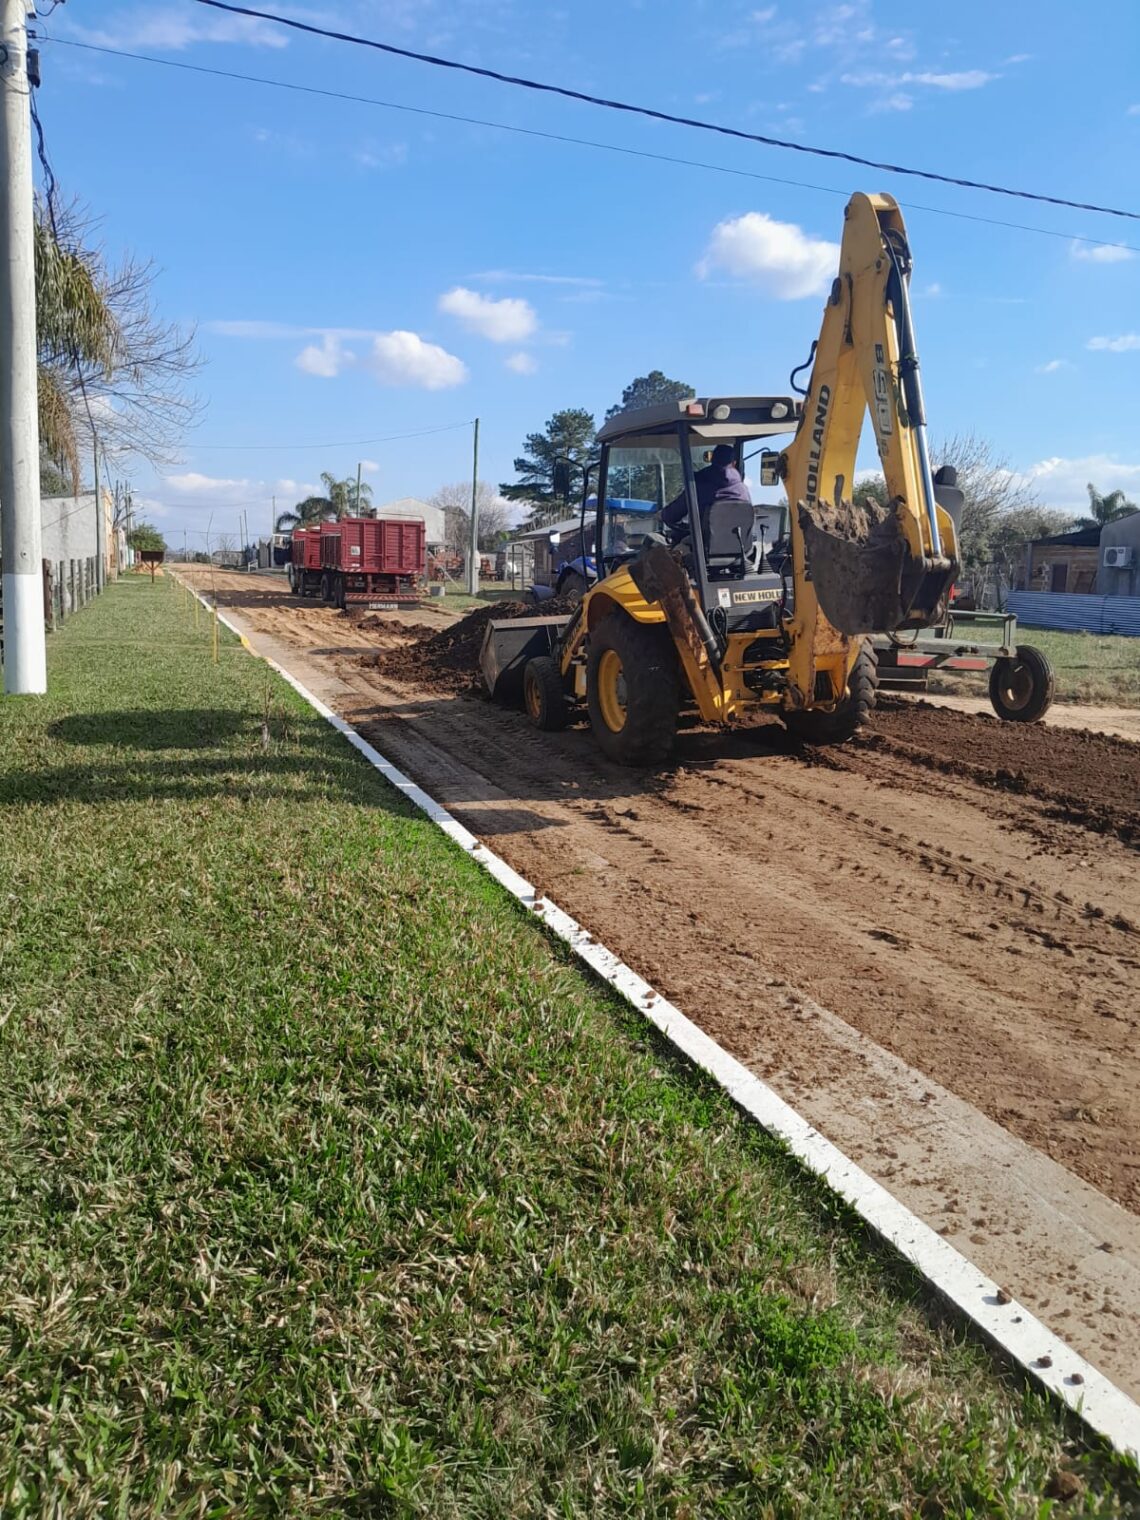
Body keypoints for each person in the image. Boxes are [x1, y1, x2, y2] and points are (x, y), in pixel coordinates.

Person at [662, 443, 752, 534]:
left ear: (712, 460)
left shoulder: (698, 485)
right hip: (740, 546)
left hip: (705, 545)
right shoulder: (743, 490)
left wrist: (662, 514)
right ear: (734, 464)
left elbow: (672, 515)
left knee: (663, 544)